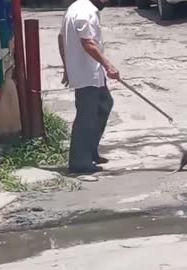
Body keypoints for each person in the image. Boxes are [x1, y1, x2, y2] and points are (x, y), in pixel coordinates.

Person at [58, 0, 120, 173]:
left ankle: (90, 150)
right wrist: (109, 66)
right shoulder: (87, 13)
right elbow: (88, 44)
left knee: (104, 104)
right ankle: (80, 162)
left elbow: (61, 38)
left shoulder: (76, 7)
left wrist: (67, 67)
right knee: (87, 117)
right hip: (87, 74)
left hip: (91, 72)